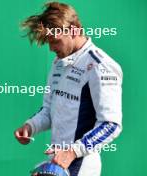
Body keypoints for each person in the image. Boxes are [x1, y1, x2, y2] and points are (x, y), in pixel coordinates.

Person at [14, 2, 123, 176]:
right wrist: (31, 126)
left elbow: (111, 124)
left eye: (55, 41)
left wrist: (72, 152)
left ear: (73, 30)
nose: (51, 48)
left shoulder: (100, 66)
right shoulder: (58, 63)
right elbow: (49, 110)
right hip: (58, 163)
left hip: (82, 166)